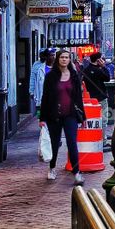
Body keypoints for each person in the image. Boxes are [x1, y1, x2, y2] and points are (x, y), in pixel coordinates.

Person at [40, 49, 86, 183]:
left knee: (72, 143)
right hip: (54, 115)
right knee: (54, 143)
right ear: (57, 59)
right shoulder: (50, 77)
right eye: (62, 57)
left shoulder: (74, 75)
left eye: (66, 57)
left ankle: (77, 172)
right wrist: (42, 118)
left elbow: (78, 98)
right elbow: (45, 97)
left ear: (69, 60)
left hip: (70, 115)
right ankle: (52, 168)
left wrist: (83, 116)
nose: (64, 59)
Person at [29, 48, 53, 118]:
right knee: (41, 115)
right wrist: (31, 91)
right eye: (41, 55)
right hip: (40, 93)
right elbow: (32, 78)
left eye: (44, 55)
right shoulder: (36, 65)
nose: (42, 56)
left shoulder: (51, 65)